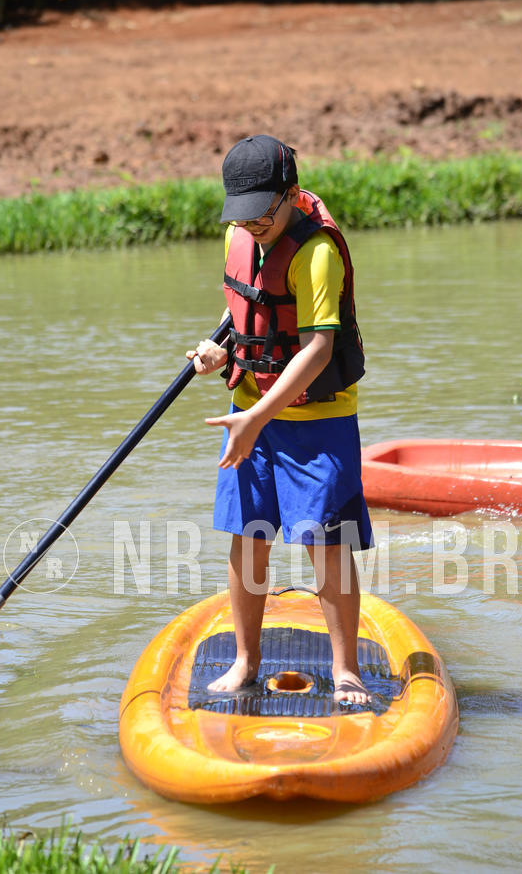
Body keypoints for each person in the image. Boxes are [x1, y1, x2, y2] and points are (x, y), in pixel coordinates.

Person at [186, 134, 373, 705]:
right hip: (251, 409)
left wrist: (260, 417)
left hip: (316, 417)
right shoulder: (240, 234)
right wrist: (221, 350)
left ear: (290, 194)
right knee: (248, 539)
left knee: (327, 544)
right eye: (240, 215)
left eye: (262, 213)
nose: (250, 225)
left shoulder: (316, 253)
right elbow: (243, 305)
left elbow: (316, 348)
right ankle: (245, 661)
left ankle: (346, 671)